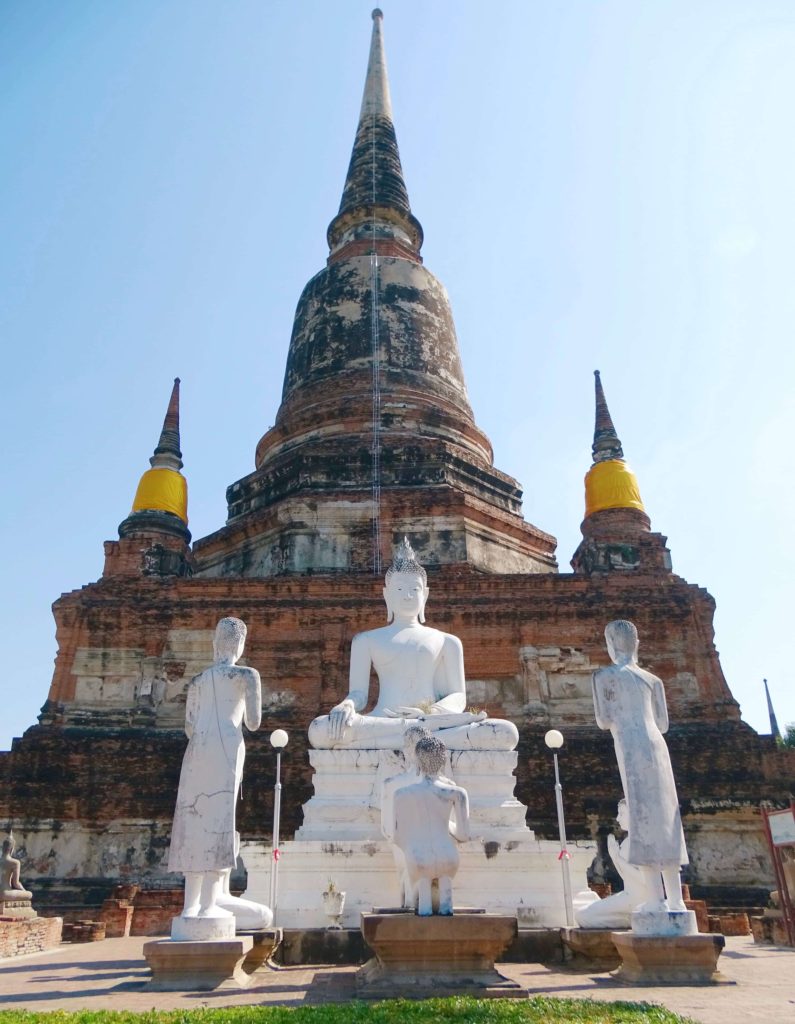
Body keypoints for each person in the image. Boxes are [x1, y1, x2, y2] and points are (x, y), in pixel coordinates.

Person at [308, 538, 517, 751]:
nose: (407, 595)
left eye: (414, 589)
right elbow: (359, 695)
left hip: (431, 722)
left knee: (506, 733)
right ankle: (414, 739)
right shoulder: (366, 640)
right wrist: (347, 705)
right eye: (399, 589)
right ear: (386, 595)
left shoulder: (447, 641)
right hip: (383, 721)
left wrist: (430, 714)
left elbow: (458, 696)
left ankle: (408, 738)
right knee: (319, 730)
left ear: (425, 595)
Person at [168, 617, 262, 923]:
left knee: (192, 821)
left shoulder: (196, 681)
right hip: (228, 745)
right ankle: (210, 905)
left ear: (214, 644)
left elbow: (189, 725)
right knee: (221, 819)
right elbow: (254, 722)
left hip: (197, 748)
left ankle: (188, 907)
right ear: (241, 644)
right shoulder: (246, 675)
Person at [592, 620, 688, 914]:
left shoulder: (604, 676)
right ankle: (677, 900)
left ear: (610, 643)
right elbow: (663, 723)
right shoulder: (653, 680)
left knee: (641, 815)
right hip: (657, 745)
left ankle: (655, 899)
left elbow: (604, 719)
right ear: (637, 643)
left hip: (630, 742)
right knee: (667, 816)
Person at [392, 736, 470, 915]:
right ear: (443, 761)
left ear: (417, 760)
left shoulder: (401, 794)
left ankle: (424, 905)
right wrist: (446, 825)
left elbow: (397, 836)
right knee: (446, 905)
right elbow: (463, 835)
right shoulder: (457, 793)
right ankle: (445, 909)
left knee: (424, 904)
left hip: (417, 856)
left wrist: (415, 844)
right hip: (448, 856)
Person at [576, 800, 654, 929]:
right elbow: (626, 877)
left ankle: (635, 919)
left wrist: (618, 858)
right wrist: (614, 856)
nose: (618, 818)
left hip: (639, 897)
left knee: (584, 916)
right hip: (628, 895)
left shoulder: (641, 843)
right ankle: (634, 919)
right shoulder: (626, 842)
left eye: (622, 814)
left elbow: (645, 880)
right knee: (581, 914)